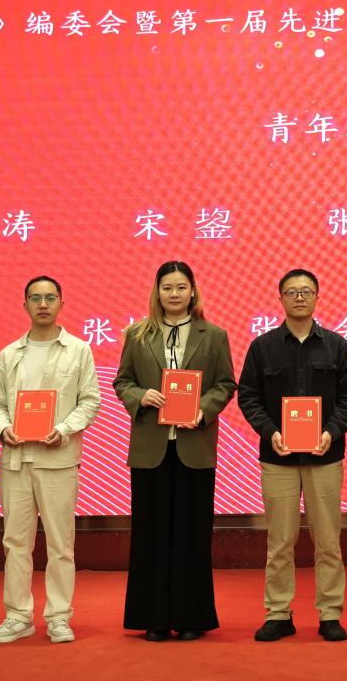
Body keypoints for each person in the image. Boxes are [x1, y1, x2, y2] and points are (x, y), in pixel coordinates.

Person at [113, 261, 237, 642]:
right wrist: (140, 396)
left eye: (181, 287)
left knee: (191, 533)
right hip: (151, 447)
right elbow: (122, 381)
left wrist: (203, 410)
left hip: (194, 446)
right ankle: (153, 617)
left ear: (193, 291)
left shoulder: (214, 335)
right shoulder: (137, 334)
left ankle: (190, 618)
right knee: (150, 534)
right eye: (167, 287)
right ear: (157, 292)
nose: (174, 294)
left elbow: (225, 384)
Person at [238, 268, 347, 642]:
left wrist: (330, 432)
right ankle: (278, 613)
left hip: (326, 455)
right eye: (292, 292)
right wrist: (271, 432)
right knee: (280, 541)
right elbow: (248, 397)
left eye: (306, 291)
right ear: (281, 299)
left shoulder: (337, 346)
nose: (300, 298)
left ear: (318, 297)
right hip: (278, 457)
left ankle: (330, 613)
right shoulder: (263, 347)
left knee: (328, 541)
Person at [0, 275, 101, 645]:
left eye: (50, 297)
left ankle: (59, 616)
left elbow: (90, 400)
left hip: (58, 459)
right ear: (24, 305)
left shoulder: (78, 350)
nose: (43, 304)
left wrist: (65, 428)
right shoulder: (9, 353)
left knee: (60, 544)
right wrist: (3, 428)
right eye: (35, 298)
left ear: (61, 304)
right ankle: (18, 616)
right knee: (15, 542)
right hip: (16, 459)